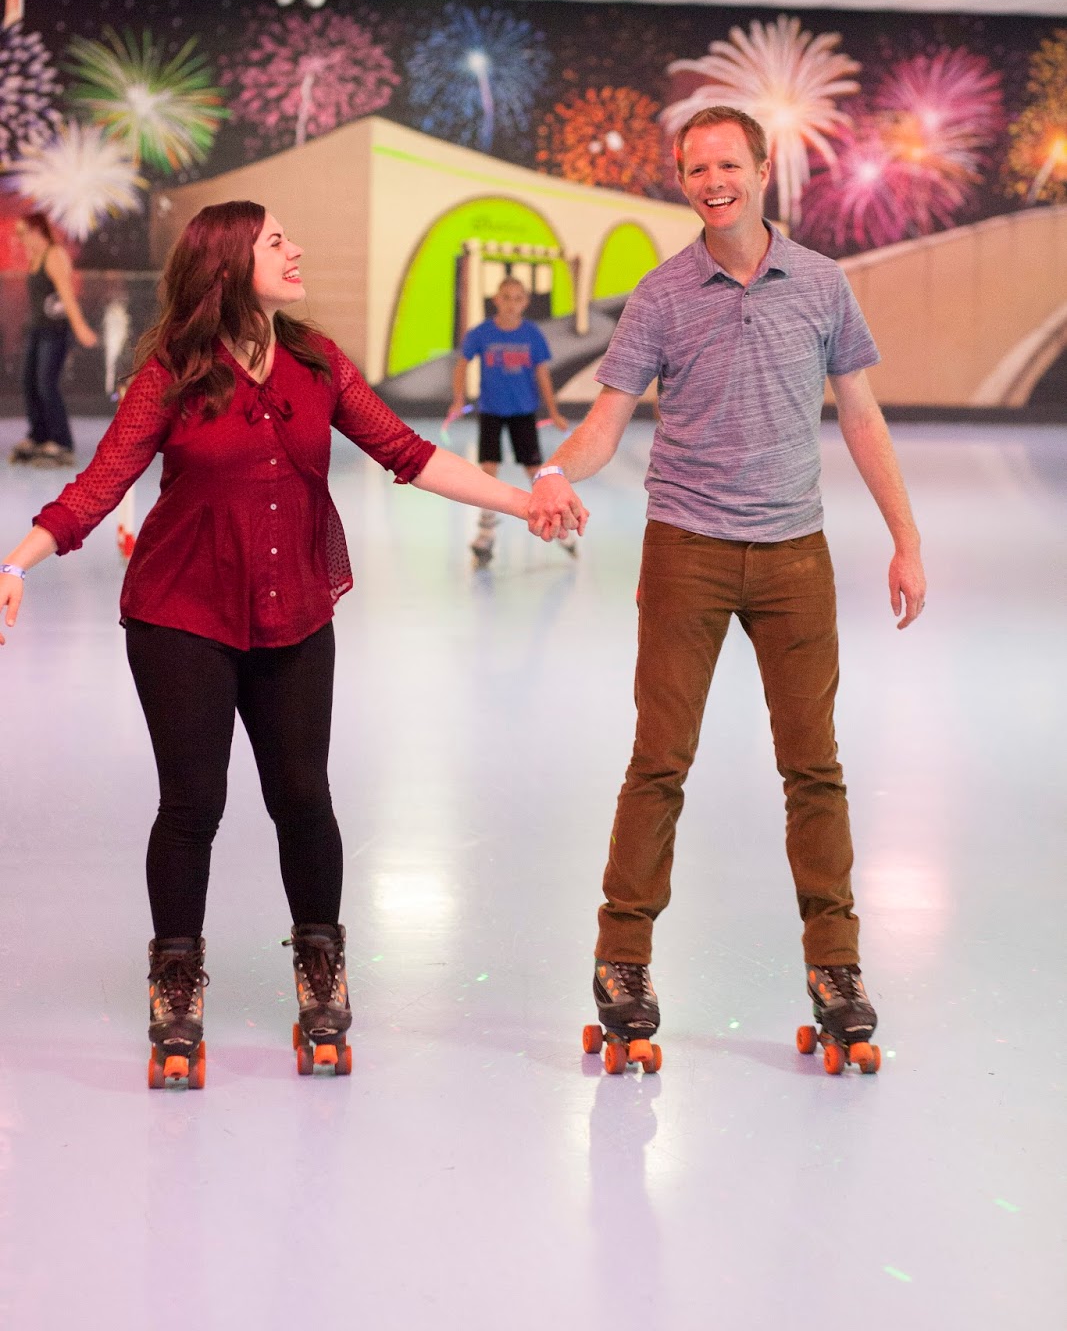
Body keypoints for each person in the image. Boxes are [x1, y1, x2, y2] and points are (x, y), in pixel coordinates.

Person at [0, 200, 553, 1088]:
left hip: (293, 608)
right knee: (193, 803)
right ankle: (175, 980)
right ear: (227, 264)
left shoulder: (314, 361)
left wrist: (524, 503)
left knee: (302, 796)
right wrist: (20, 558)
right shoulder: (175, 373)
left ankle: (320, 963)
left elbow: (406, 452)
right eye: (275, 242)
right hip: (181, 614)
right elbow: (105, 478)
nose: (295, 252)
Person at [527, 106, 927, 1069]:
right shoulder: (661, 296)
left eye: (727, 164)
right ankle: (622, 961)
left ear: (761, 171)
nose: (712, 180)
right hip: (687, 552)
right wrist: (550, 472)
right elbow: (603, 423)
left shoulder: (822, 283)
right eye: (694, 166)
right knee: (658, 762)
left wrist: (905, 540)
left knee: (813, 768)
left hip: (796, 557)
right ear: (682, 179)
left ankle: (837, 969)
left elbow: (863, 421)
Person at [445, 275, 573, 565]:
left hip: (523, 413)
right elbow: (462, 363)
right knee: (488, 469)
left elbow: (542, 373)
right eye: (506, 297)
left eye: (518, 298)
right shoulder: (481, 333)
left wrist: (553, 411)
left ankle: (559, 526)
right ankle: (486, 533)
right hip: (491, 411)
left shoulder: (532, 335)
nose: (511, 303)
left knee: (535, 471)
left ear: (525, 302)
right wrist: (457, 398)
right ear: (496, 300)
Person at [9, 212, 98, 468]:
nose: (21, 239)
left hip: (54, 332)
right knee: (29, 382)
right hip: (37, 329)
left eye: (24, 233)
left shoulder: (54, 255)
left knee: (46, 385)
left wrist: (80, 327)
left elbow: (67, 296)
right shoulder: (35, 257)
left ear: (38, 231)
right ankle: (40, 435)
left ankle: (62, 442)